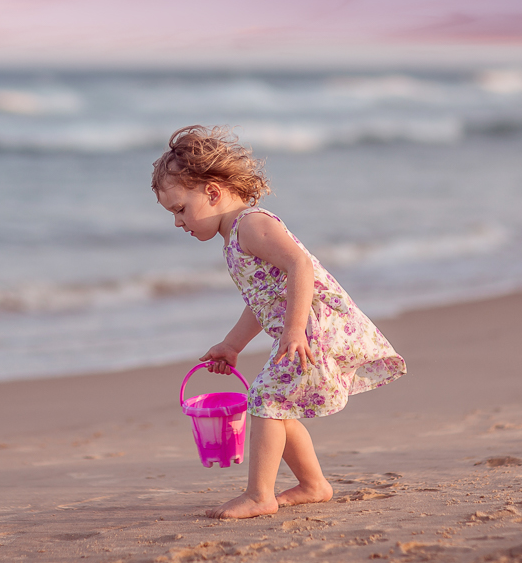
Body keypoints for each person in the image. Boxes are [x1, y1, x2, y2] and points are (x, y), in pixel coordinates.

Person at [152, 125, 406, 519]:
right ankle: (313, 485)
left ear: (213, 193)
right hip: (303, 329)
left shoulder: (251, 225)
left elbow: (299, 265)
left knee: (266, 400)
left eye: (180, 209)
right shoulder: (234, 239)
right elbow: (263, 300)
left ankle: (259, 495)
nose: (177, 222)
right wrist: (232, 345)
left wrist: (293, 330)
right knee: (276, 403)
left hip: (314, 328)